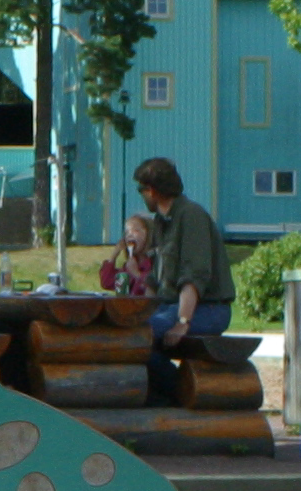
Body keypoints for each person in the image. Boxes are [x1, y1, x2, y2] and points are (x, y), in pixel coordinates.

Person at [133, 157, 234, 397]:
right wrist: (138, 311)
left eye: (141, 189)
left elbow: (194, 276)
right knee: (130, 334)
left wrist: (183, 322)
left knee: (139, 336)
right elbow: (154, 280)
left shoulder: (191, 216)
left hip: (207, 309)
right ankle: (161, 396)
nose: (141, 195)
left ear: (153, 190)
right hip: (170, 307)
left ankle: (180, 391)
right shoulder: (161, 221)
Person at [99, 212, 154, 297]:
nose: (130, 234)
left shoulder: (155, 264)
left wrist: (137, 273)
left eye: (136, 230)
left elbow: (156, 286)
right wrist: (114, 256)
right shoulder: (127, 267)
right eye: (127, 232)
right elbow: (107, 282)